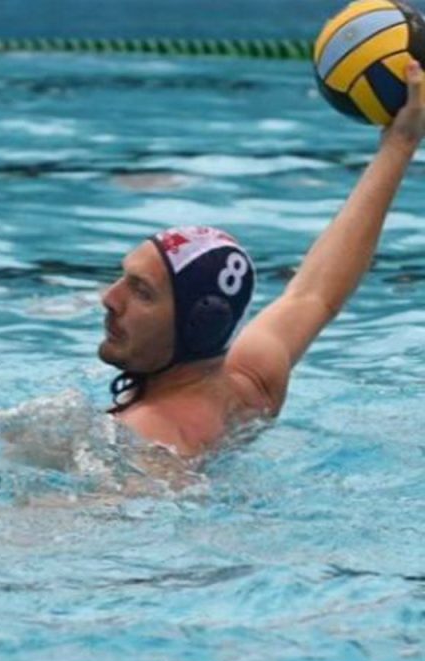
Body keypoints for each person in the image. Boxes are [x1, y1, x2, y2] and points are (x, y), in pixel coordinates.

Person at [98, 61, 425, 458]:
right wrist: (400, 143)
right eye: (124, 278)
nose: (109, 298)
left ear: (198, 325)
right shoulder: (251, 386)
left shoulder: (149, 441)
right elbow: (314, 295)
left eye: (142, 292)